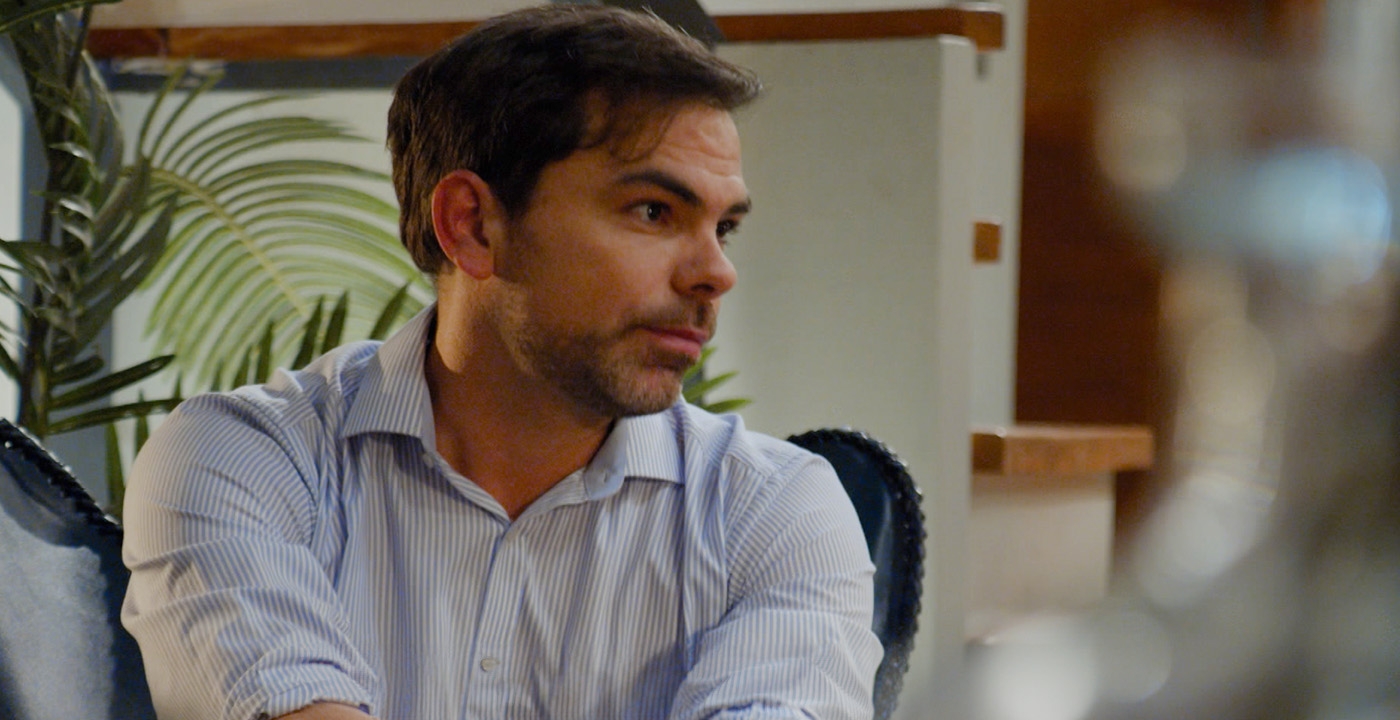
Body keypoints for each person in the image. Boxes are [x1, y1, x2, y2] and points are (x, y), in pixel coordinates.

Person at [121, 6, 881, 720]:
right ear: (472, 225)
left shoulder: (775, 514)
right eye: (654, 211)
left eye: (725, 227)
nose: (716, 272)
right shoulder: (242, 461)